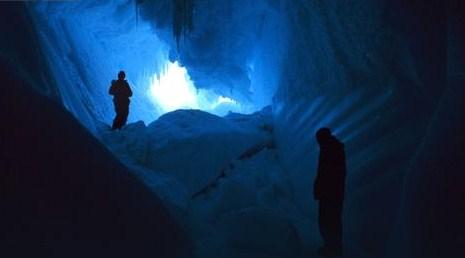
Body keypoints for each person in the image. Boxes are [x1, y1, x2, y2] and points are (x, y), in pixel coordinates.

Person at [314, 128, 346, 257]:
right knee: (332, 222)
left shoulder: (330, 150)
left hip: (330, 194)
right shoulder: (331, 148)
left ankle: (332, 250)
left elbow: (325, 174)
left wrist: (319, 189)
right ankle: (333, 249)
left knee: (328, 222)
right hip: (333, 193)